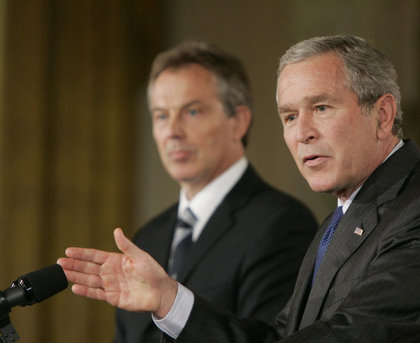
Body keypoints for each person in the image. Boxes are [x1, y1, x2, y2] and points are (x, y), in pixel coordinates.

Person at [58, 35, 420, 342]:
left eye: (321, 108)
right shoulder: (341, 218)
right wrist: (169, 301)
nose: (301, 133)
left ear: (383, 115)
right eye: (289, 116)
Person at [111, 42, 319, 343]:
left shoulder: (282, 224)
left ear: (238, 121)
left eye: (191, 111)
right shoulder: (147, 238)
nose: (172, 131)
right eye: (160, 116)